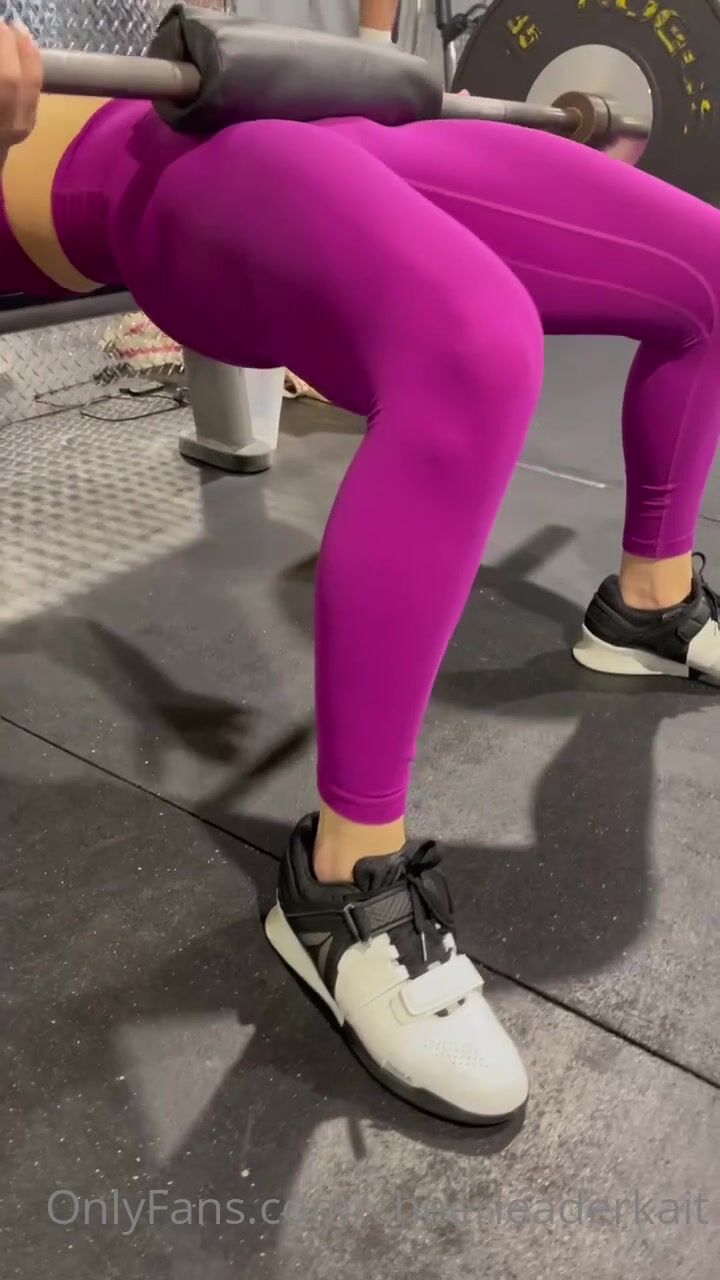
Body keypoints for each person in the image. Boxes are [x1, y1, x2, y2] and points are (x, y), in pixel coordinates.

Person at [3, 11, 720, 1126]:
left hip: (278, 106)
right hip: (125, 168)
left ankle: (648, 607)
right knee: (471, 342)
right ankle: (343, 886)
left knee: (705, 270)